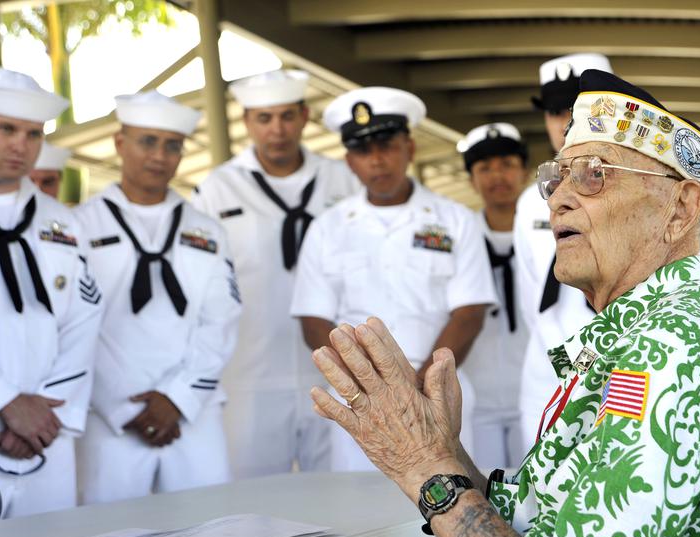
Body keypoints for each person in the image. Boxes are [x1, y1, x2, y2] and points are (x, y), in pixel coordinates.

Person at [308, 70, 700, 537]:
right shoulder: (664, 329)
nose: (557, 199)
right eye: (556, 178)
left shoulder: (673, 350)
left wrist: (421, 464)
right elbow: (544, 517)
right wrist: (446, 453)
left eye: (595, 174)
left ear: (680, 209)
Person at [291, 86, 496, 471]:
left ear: (410, 149)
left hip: (436, 390)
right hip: (358, 396)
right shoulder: (327, 228)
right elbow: (312, 320)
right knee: (358, 509)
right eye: (363, 151)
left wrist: (422, 386)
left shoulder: (454, 220)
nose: (377, 160)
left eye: (387, 145)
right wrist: (366, 385)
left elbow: (469, 314)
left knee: (448, 505)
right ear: (350, 161)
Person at [191, 69, 362, 478]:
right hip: (249, 376)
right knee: (252, 499)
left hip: (336, 371)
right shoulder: (217, 189)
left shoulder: (342, 180)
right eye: (264, 118)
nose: (277, 130)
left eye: (287, 116)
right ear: (247, 122)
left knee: (340, 496)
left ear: (304, 116)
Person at [75, 91, 241, 504]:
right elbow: (74, 324)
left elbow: (221, 321)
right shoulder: (78, 225)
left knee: (211, 534)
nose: (159, 155)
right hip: (109, 412)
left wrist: (177, 399)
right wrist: (121, 404)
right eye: (147, 141)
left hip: (191, 412)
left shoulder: (207, 231)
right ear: (119, 143)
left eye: (172, 145)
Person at [0, 68, 103, 518]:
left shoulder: (62, 223)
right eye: (5, 128)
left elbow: (85, 320)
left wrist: (45, 414)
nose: (20, 145)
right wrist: (5, 401)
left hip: (47, 434)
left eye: (33, 133)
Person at [514, 53, 613, 448]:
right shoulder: (528, 204)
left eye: (576, 108)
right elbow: (529, 299)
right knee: (534, 497)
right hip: (544, 368)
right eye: (555, 111)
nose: (564, 121)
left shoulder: (635, 191)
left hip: (614, 366)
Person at [457, 123, 530, 469]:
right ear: (471, 180)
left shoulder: (552, 232)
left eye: (507, 164)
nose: (497, 176)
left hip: (536, 391)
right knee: (486, 490)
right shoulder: (460, 235)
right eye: (484, 168)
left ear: (525, 172)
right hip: (477, 395)